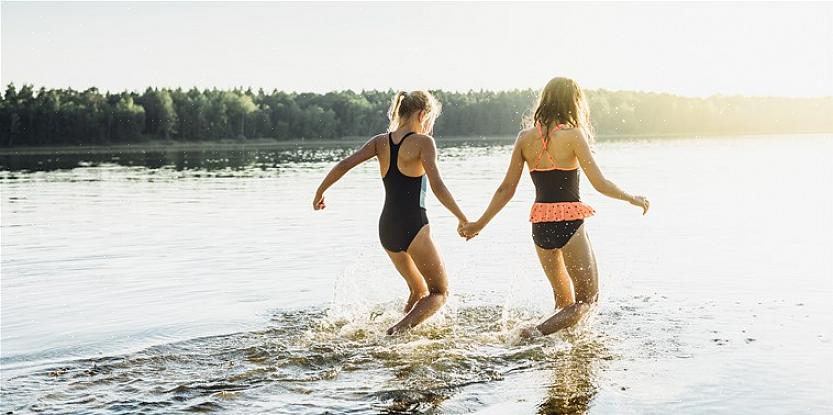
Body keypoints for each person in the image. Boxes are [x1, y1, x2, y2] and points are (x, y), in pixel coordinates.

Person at [460, 77, 649, 338]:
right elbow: (600, 183)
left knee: (563, 304)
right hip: (569, 222)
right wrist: (631, 197)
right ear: (574, 103)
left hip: (540, 225)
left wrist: (478, 224)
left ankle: (560, 357)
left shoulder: (525, 138)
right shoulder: (573, 135)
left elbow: (506, 189)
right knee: (587, 301)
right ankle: (534, 332)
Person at [313, 91, 468, 335]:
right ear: (421, 114)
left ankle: (398, 332)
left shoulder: (380, 141)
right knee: (439, 292)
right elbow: (437, 186)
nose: (429, 126)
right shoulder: (423, 143)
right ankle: (396, 331)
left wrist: (320, 192)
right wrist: (462, 218)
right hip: (414, 226)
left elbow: (344, 164)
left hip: (387, 229)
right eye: (429, 120)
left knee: (418, 291)